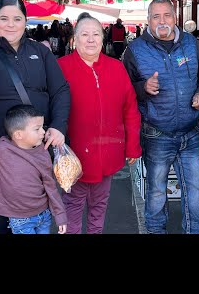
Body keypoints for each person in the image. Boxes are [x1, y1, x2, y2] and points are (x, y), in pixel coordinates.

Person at [0, 0, 70, 234]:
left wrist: (58, 126)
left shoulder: (40, 52)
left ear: (25, 21)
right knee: (0, 216)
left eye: (17, 18)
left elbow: (61, 90)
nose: (10, 24)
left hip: (36, 149)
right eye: (4, 18)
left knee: (37, 210)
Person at [123, 0, 199, 234]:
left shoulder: (191, 44)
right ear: (148, 21)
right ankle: (155, 231)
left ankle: (196, 231)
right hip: (156, 134)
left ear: (175, 18)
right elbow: (123, 90)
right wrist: (143, 88)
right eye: (156, 16)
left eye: (167, 16)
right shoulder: (134, 50)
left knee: (195, 188)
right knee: (156, 190)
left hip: (191, 132)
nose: (162, 21)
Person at [57, 12, 142, 234]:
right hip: (73, 157)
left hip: (107, 153)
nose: (91, 39)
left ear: (103, 39)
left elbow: (130, 109)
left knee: (99, 206)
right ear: (74, 39)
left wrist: (132, 145)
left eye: (96, 34)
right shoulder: (60, 67)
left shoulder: (116, 67)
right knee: (72, 207)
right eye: (84, 34)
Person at [0, 104, 67, 234]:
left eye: (42, 127)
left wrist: (60, 216)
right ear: (18, 134)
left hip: (44, 215)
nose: (43, 132)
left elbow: (50, 186)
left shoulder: (43, 153)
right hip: (21, 220)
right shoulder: (2, 150)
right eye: (37, 129)